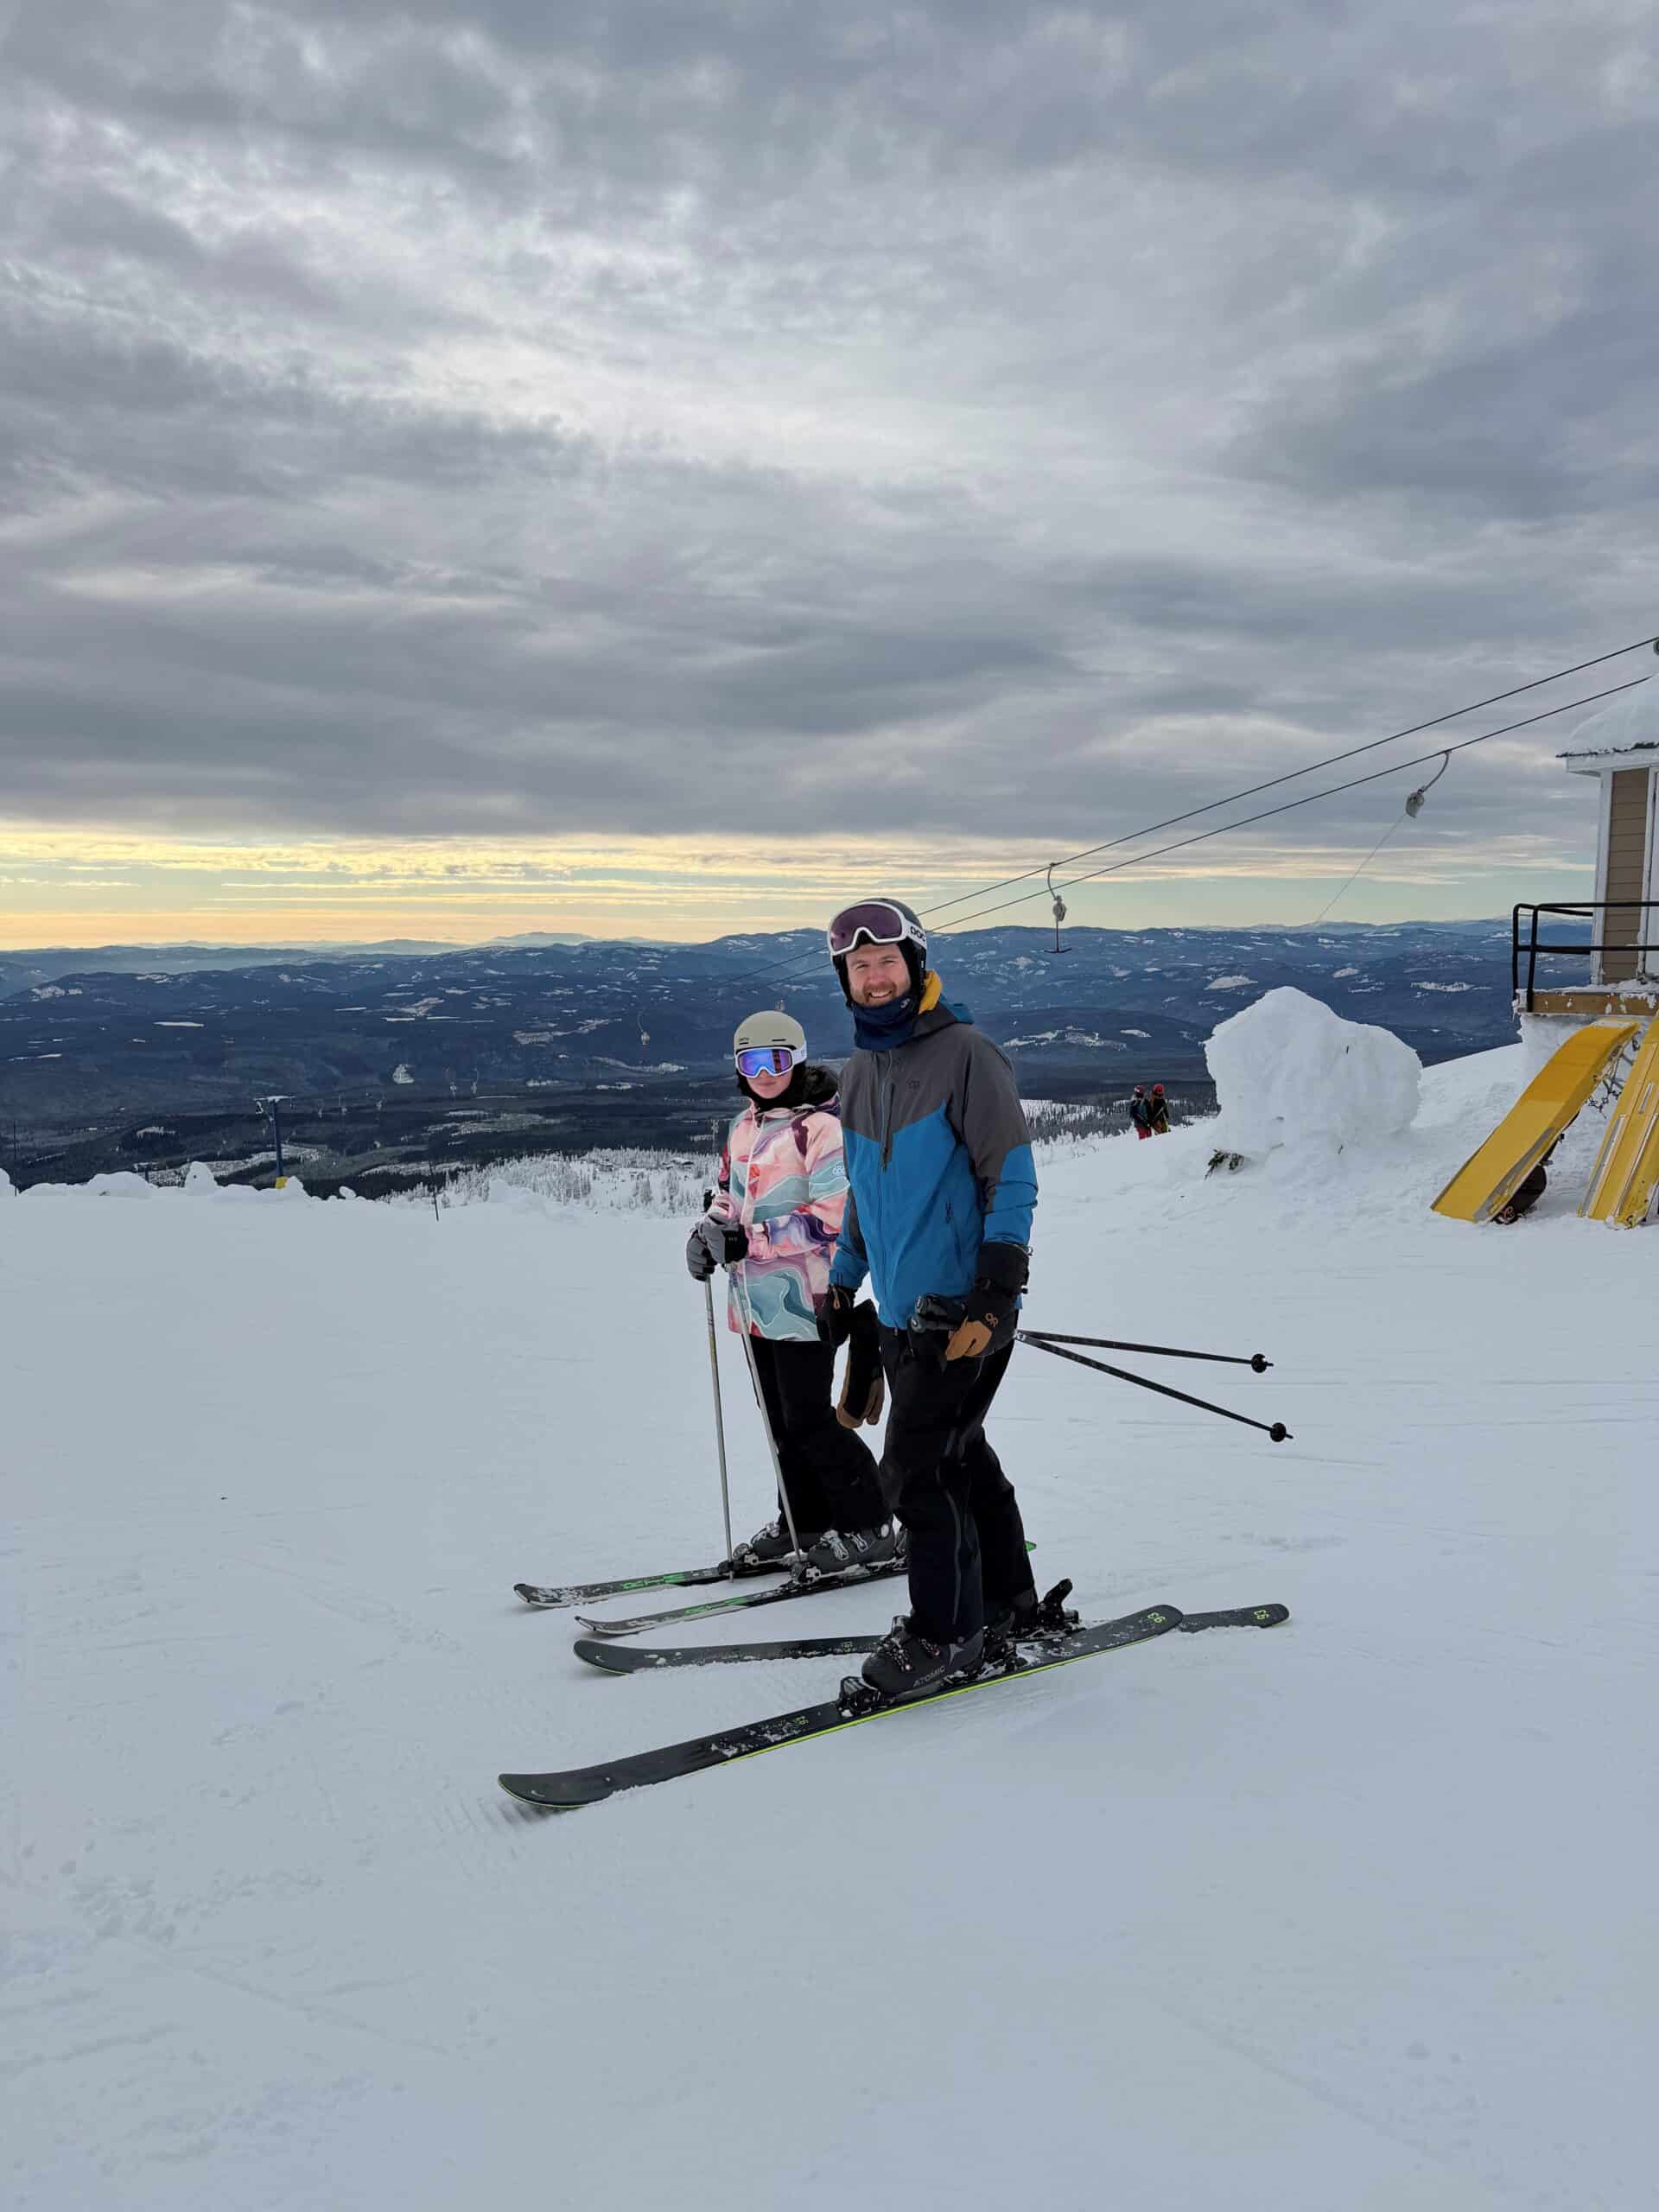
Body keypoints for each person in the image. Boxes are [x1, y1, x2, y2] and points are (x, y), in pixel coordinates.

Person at [818, 898, 1040, 1700]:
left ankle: (949, 1634)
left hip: (961, 1317)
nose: (875, 980)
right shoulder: (860, 1072)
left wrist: (995, 1288)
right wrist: (845, 1279)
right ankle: (1008, 1600)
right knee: (960, 1454)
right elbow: (865, 1196)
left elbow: (1010, 1176)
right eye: (859, 968)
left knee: (916, 1471)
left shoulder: (967, 1054)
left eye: (887, 964)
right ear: (845, 979)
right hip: (896, 1315)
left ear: (916, 965)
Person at [685, 1010, 895, 1576]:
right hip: (754, 1304)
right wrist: (709, 1233)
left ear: (797, 1060)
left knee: (808, 1420)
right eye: (750, 1062)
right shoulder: (745, 1128)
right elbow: (728, 1198)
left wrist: (748, 1240)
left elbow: (832, 1217)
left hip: (808, 1300)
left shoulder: (822, 1129)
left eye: (775, 1060)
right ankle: (804, 1519)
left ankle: (869, 1521)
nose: (763, 1072)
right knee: (779, 1420)